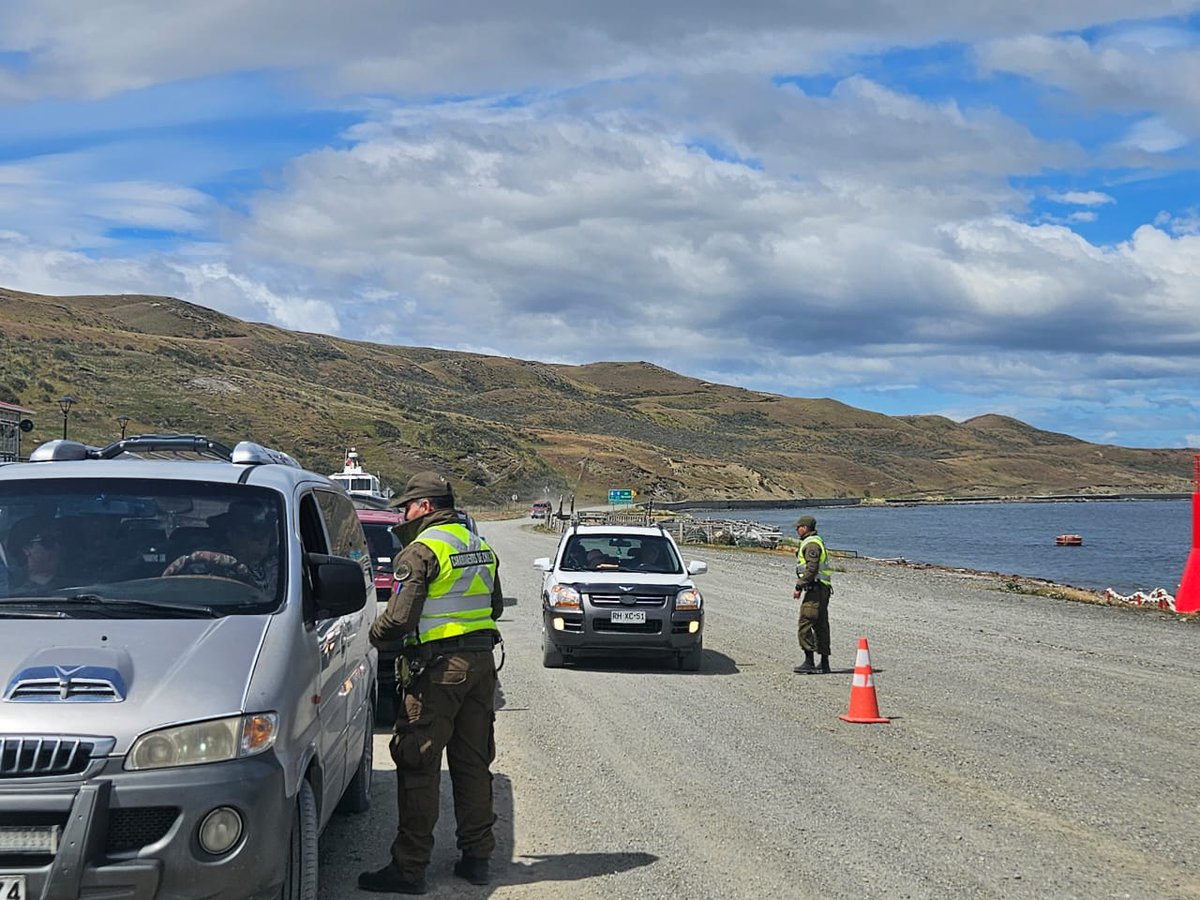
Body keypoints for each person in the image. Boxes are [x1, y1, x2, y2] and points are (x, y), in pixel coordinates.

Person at [360, 472, 503, 896]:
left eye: (406, 505)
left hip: (439, 670)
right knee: (473, 763)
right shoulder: (479, 546)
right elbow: (493, 605)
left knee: (418, 761)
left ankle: (409, 868)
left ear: (424, 507)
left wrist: (368, 637)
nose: (403, 513)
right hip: (481, 664)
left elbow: (399, 619)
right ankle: (477, 858)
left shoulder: (420, 551)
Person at [792, 515, 833, 674]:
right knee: (821, 625)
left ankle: (809, 661)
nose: (797, 529)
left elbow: (812, 568)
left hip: (815, 590)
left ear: (806, 527)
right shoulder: (816, 541)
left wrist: (799, 586)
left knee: (805, 623)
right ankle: (824, 663)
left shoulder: (811, 544)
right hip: (822, 589)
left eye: (799, 526)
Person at [7, 519, 72, 593]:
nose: (58, 546)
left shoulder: (79, 589)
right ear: (26, 549)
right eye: (48, 541)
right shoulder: (12, 596)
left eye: (60, 540)